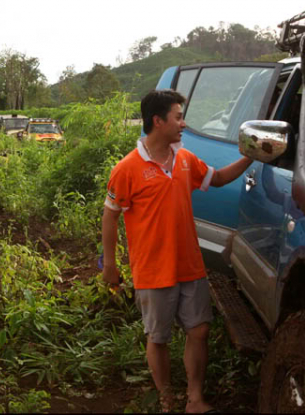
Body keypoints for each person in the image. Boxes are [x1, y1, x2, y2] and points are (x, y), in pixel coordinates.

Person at [101, 89, 253, 413]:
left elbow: (220, 178)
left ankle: (194, 399)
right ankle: (167, 396)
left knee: (199, 330)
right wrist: (110, 265)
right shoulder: (127, 168)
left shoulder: (185, 160)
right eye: (178, 116)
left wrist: (251, 156)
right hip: (153, 269)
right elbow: (110, 217)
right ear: (158, 121)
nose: (183, 123)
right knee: (158, 338)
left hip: (189, 264)